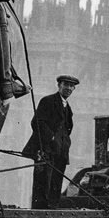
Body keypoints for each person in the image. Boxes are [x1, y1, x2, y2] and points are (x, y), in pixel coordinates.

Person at [22, 75, 78, 208]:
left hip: (61, 151)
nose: (68, 88)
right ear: (59, 85)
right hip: (46, 149)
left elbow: (67, 128)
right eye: (66, 84)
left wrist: (64, 143)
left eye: (71, 86)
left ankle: (52, 209)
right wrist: (52, 138)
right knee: (43, 183)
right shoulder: (48, 101)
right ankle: (41, 212)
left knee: (56, 182)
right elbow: (37, 122)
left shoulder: (67, 107)